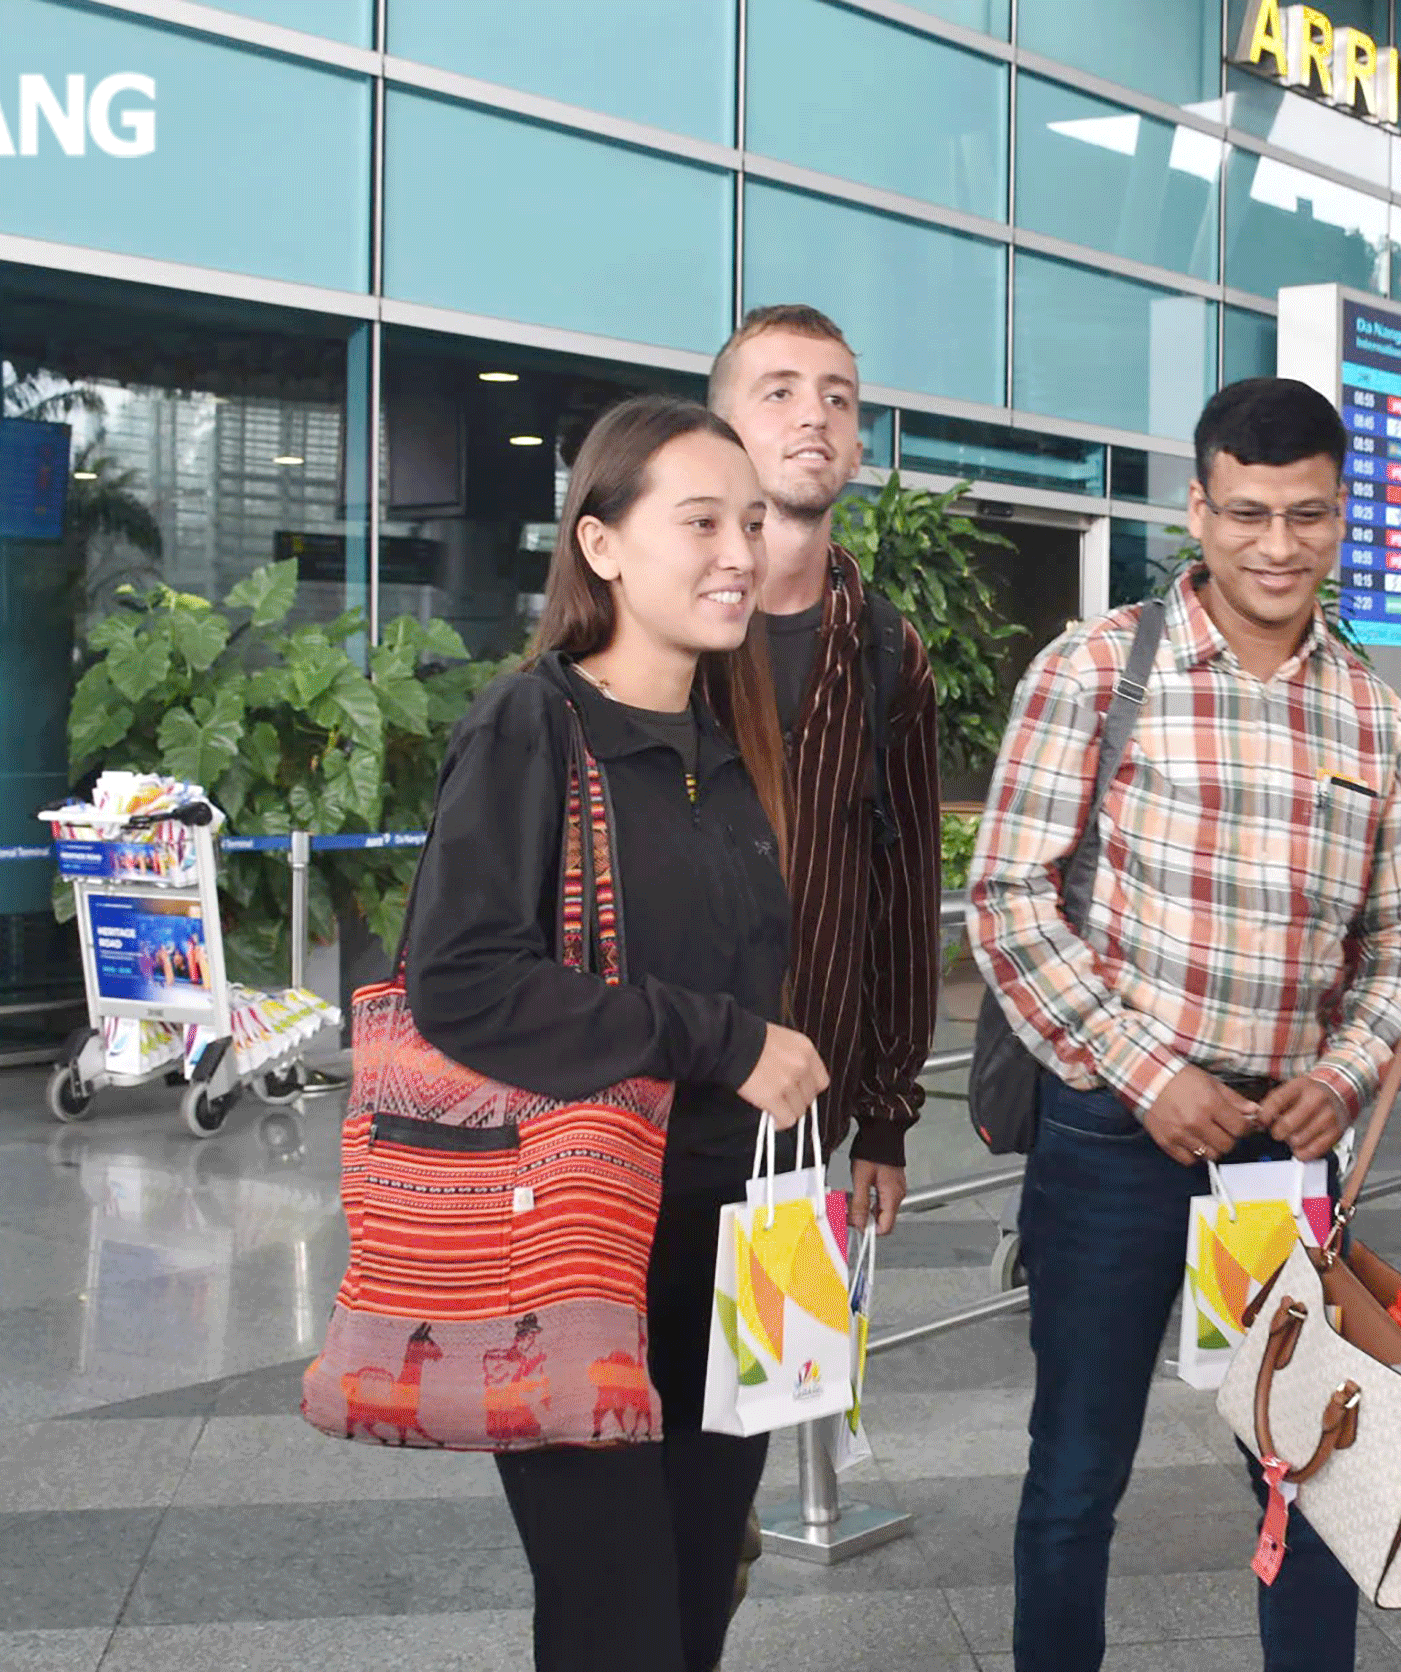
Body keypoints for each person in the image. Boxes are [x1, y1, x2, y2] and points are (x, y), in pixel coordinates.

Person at [968, 377, 1401, 1672]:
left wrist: (1343, 1079)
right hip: (1114, 1136)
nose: (1276, 544)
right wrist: (1144, 1073)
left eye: (1307, 515)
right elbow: (1005, 896)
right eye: (1247, 513)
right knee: (1075, 1471)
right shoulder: (1098, 668)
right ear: (1196, 509)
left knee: (1309, 1468)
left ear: (1343, 518)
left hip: (1286, 1152)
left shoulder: (1370, 713)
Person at [401, 395, 831, 1672]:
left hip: (741, 1240)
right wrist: (721, 1037)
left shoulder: (738, 744)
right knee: (616, 1623)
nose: (739, 554)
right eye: (699, 521)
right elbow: (464, 980)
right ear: (600, 545)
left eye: (750, 524)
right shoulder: (531, 725)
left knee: (700, 1598)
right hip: (582, 1243)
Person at [708, 302, 942, 1236]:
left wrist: (886, 1113)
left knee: (786, 1375)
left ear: (856, 447)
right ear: (721, 431)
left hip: (807, 1121)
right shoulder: (658, 632)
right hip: (642, 1121)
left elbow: (902, 891)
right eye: (780, 393)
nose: (815, 416)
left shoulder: (887, 650)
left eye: (837, 399)